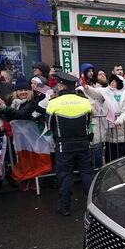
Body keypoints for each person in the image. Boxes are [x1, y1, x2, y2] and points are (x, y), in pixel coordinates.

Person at [45, 72, 94, 216]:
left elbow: (48, 126)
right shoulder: (85, 101)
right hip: (83, 144)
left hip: (63, 146)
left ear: (60, 85)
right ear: (75, 86)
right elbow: (88, 123)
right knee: (86, 174)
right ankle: (93, 206)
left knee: (65, 176)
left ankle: (64, 207)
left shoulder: (53, 103)